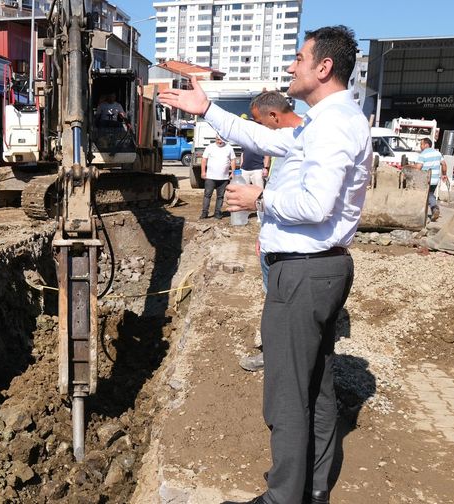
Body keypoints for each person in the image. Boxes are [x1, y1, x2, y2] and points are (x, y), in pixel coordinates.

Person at [160, 25, 371, 504]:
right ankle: (312, 488)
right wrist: (209, 110)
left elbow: (317, 205)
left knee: (286, 396)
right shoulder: (323, 120)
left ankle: (282, 498)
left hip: (303, 271)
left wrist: (261, 197)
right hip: (316, 269)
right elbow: (264, 136)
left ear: (324, 67)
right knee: (314, 389)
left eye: (300, 58)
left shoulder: (335, 123)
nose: (292, 66)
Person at [239, 91, 305, 373]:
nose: (261, 130)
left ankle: (278, 357)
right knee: (274, 301)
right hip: (273, 240)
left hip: (291, 250)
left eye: (260, 122)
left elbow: (307, 205)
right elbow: (275, 192)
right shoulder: (285, 147)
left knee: (281, 306)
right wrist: (263, 235)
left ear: (274, 116)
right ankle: (277, 353)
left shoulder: (304, 145)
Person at [410, 137, 448, 222]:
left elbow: (418, 168)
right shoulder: (438, 153)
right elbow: (444, 164)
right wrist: (444, 174)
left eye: (421, 144)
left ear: (426, 145)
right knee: (430, 194)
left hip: (425, 179)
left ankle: (423, 212)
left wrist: (410, 166)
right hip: (435, 180)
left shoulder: (423, 154)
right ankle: (433, 210)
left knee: (423, 195)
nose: (420, 146)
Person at [200, 135, 237, 219]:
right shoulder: (210, 147)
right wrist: (203, 172)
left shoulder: (229, 148)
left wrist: (233, 172)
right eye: (217, 140)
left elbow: (233, 160)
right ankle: (204, 213)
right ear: (215, 139)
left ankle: (217, 213)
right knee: (207, 195)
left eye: (221, 140)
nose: (219, 142)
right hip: (210, 177)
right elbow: (204, 159)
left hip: (223, 178)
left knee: (220, 196)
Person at [239, 113, 270, 188]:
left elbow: (267, 155)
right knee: (243, 191)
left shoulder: (262, 138)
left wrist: (265, 168)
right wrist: (241, 167)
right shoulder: (245, 138)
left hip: (258, 169)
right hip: (244, 169)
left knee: (259, 192)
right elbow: (243, 153)